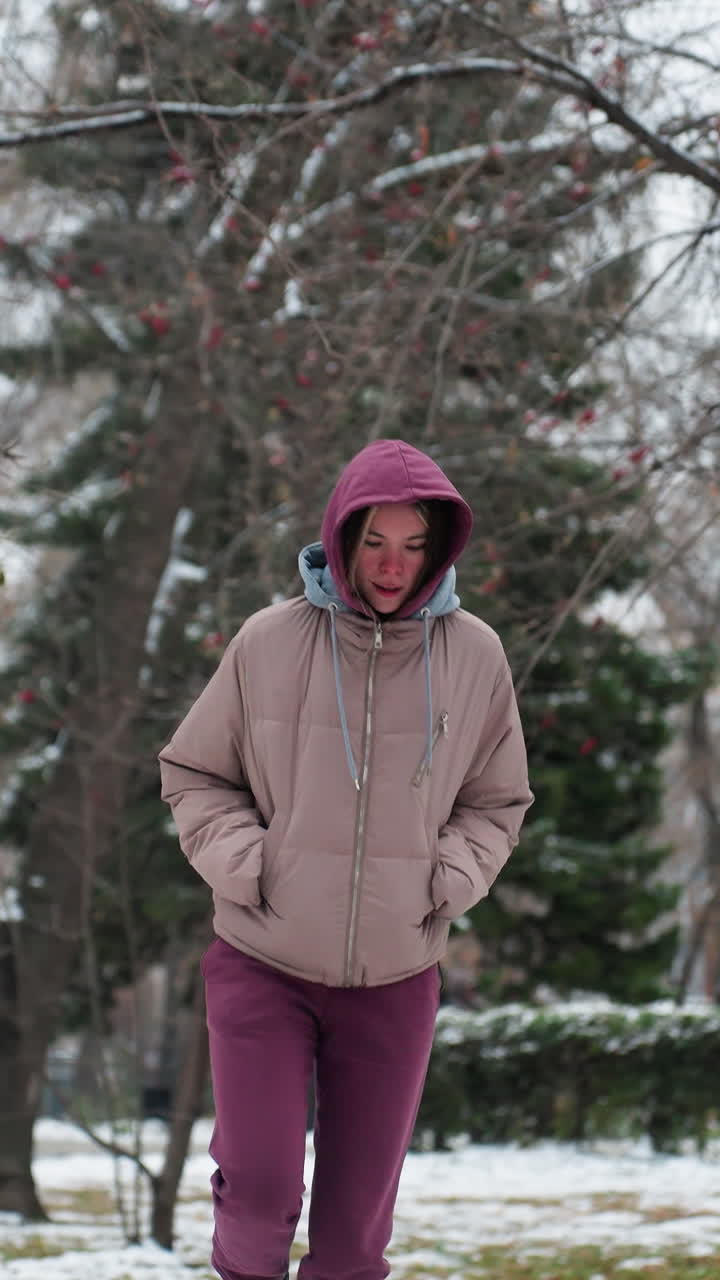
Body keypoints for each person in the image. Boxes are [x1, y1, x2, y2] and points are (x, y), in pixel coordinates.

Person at [158, 438, 533, 1280]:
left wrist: (448, 881)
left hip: (398, 976)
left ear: (438, 550)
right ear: (341, 537)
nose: (393, 566)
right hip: (264, 960)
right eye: (374, 543)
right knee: (257, 1197)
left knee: (356, 1241)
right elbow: (193, 773)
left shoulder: (475, 656)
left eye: (412, 546)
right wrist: (251, 866)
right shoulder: (267, 642)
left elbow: (497, 801)